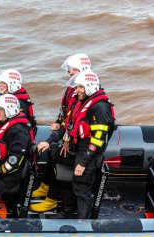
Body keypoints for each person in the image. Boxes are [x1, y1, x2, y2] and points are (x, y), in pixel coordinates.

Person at [36, 70, 115, 219]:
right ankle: (67, 210)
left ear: (89, 87)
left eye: (79, 87)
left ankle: (84, 222)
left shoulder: (99, 108)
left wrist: (83, 163)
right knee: (55, 154)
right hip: (77, 146)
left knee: (81, 187)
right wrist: (48, 141)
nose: (76, 90)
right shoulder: (81, 102)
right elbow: (67, 127)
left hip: (88, 151)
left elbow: (97, 141)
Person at [30, 53, 92, 212]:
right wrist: (58, 122)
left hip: (81, 147)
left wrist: (65, 139)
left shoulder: (85, 95)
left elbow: (75, 122)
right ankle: (45, 187)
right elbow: (66, 112)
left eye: (71, 72)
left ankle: (52, 198)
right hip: (71, 138)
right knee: (53, 154)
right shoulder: (75, 90)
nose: (69, 75)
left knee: (57, 156)